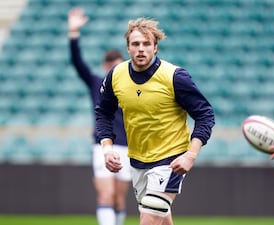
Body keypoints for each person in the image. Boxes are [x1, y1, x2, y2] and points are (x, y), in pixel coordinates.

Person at [95, 18, 215, 225]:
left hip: (170, 160)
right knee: (161, 217)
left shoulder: (175, 77)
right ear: (128, 47)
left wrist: (191, 154)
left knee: (149, 219)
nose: (141, 49)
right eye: (135, 44)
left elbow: (205, 115)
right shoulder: (116, 75)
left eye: (146, 44)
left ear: (155, 47)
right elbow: (103, 113)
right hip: (138, 160)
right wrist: (107, 149)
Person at [68, 8, 131, 225]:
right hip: (102, 146)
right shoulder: (97, 83)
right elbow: (78, 63)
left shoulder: (133, 87)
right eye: (112, 66)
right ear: (105, 67)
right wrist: (73, 33)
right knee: (105, 195)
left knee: (118, 199)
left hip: (127, 146)